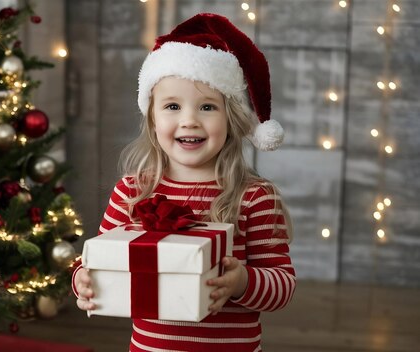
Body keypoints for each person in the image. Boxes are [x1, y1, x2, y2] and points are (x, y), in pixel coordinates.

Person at [72, 13, 296, 352]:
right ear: (152, 118)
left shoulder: (253, 197)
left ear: (232, 119)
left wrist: (242, 281)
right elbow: (97, 259)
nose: (189, 121)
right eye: (172, 106)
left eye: (207, 107)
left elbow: (283, 284)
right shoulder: (133, 192)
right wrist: (82, 280)